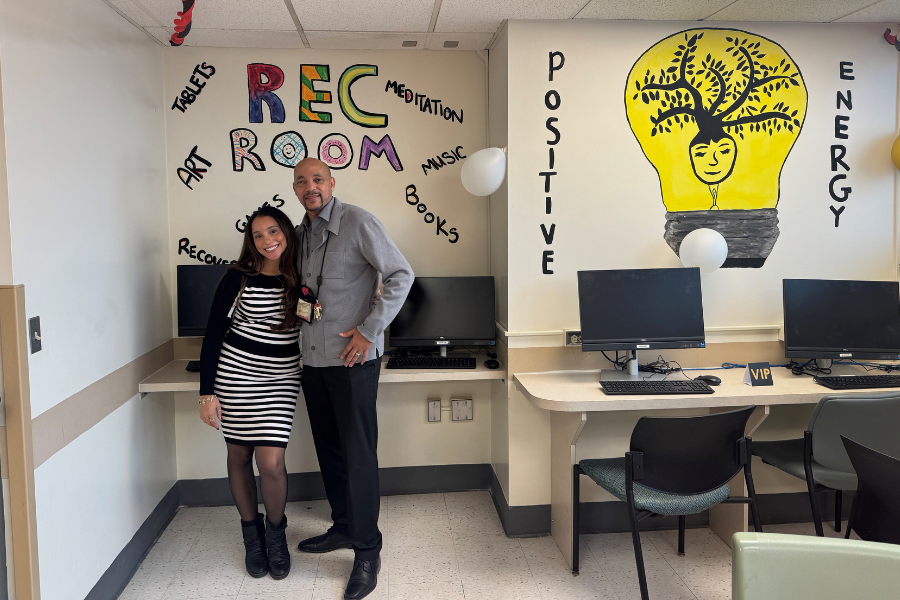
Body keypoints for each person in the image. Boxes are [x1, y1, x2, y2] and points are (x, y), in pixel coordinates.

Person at [292, 157, 413, 600]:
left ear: (332, 183)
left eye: (318, 179)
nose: (311, 187)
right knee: (330, 449)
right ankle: (343, 527)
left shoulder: (358, 221)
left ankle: (367, 550)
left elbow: (401, 274)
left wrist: (368, 330)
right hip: (314, 360)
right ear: (295, 187)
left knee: (358, 454)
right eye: (302, 181)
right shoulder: (300, 234)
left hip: (353, 359)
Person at [198, 206, 302, 581]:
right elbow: (213, 334)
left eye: (273, 231)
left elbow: (321, 316)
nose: (267, 240)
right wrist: (206, 392)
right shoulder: (237, 277)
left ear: (286, 232)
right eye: (258, 235)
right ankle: (251, 536)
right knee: (238, 455)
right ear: (251, 242)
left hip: (280, 378)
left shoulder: (301, 276)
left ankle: (276, 536)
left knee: (271, 462)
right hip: (236, 374)